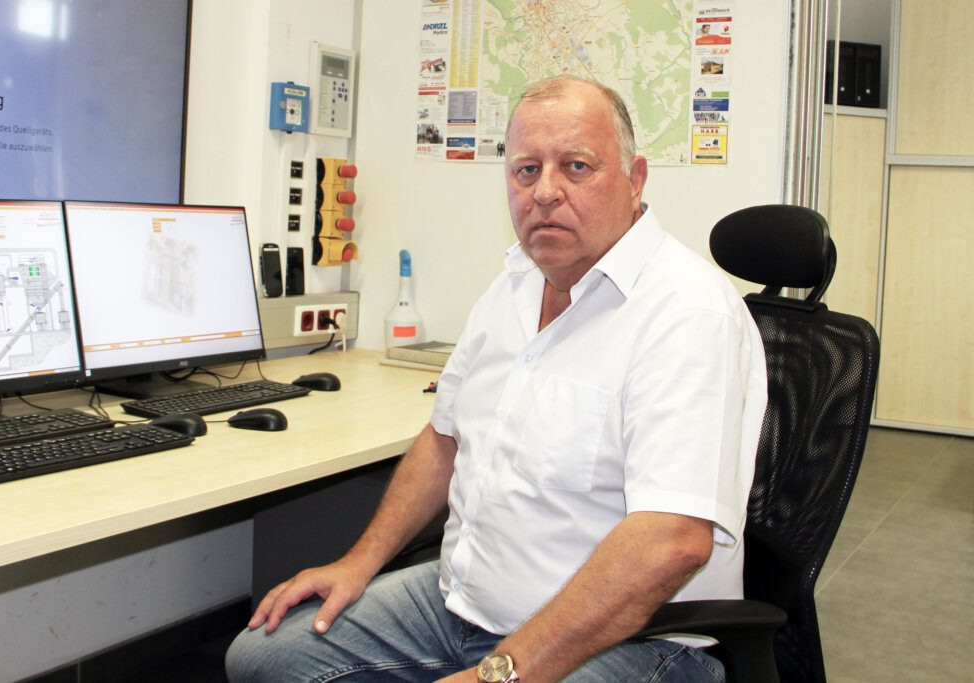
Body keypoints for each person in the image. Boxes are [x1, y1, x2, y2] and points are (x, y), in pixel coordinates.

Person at [226, 74, 767, 682]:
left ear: (636, 179)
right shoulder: (511, 286)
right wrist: (359, 563)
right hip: (460, 606)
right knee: (263, 660)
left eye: (578, 167)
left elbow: (674, 539)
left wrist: (503, 671)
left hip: (633, 639)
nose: (545, 192)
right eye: (526, 170)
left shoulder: (688, 313)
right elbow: (444, 438)